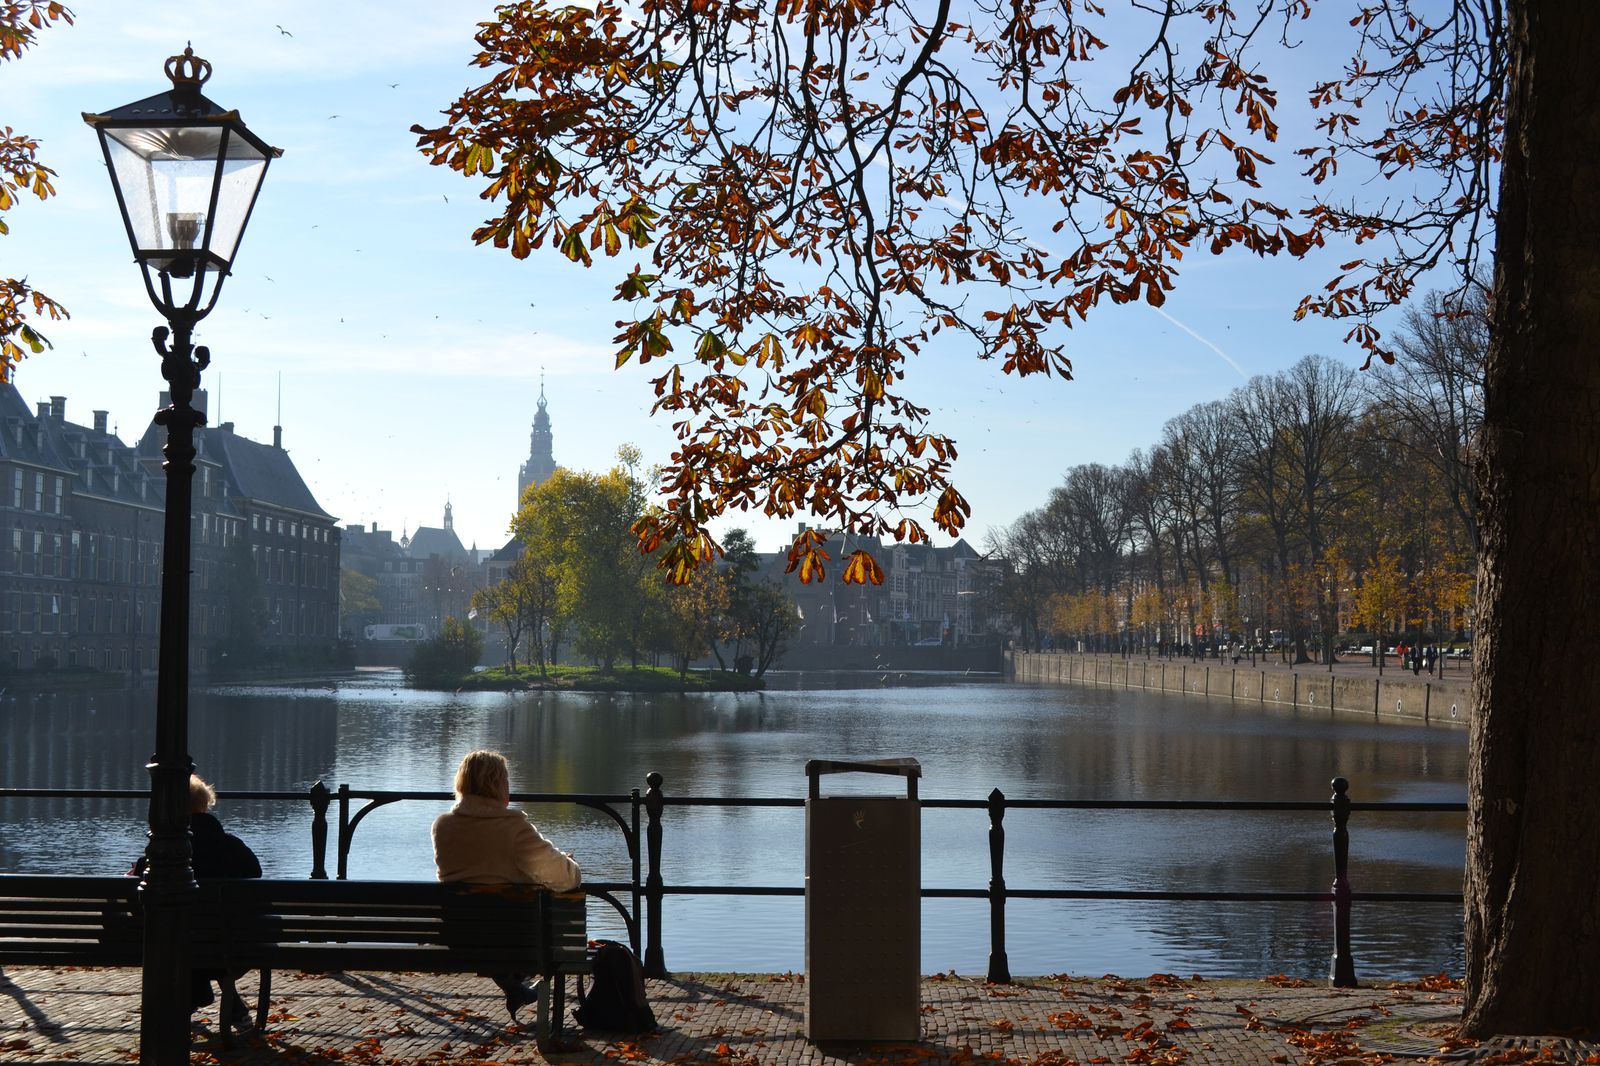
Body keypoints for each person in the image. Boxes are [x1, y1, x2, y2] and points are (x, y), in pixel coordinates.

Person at [432, 749, 581, 1022]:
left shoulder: (442, 826)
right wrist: (568, 864)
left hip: (459, 939)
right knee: (545, 921)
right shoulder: (513, 828)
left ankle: (516, 989)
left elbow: (482, 871)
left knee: (494, 921)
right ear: (497, 784)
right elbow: (566, 878)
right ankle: (525, 995)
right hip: (516, 943)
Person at [130, 774, 262, 1024]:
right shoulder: (233, 848)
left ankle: (189, 1003)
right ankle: (221, 1007)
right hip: (229, 944)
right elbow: (255, 879)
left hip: (169, 946)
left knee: (184, 938)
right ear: (205, 804)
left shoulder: (159, 851)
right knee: (209, 937)